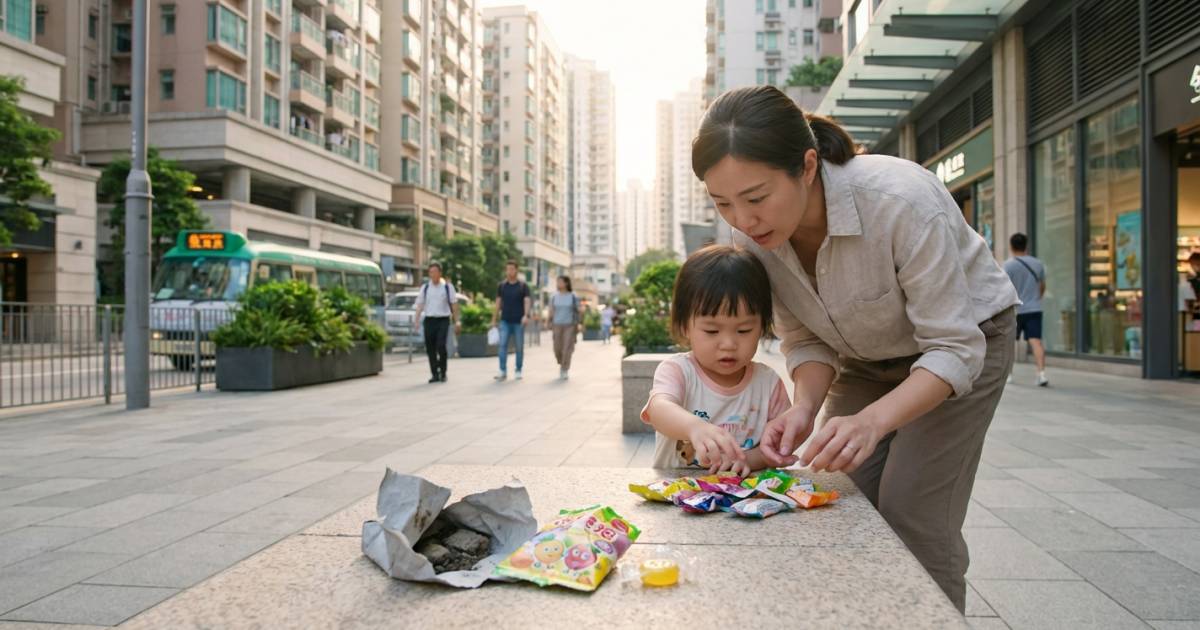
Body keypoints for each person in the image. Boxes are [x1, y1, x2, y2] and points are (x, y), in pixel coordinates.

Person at [692, 86, 1019, 612]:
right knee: (837, 498)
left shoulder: (901, 201)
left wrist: (871, 422)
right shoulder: (755, 239)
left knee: (914, 513)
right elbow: (806, 338)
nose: (743, 221)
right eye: (722, 202)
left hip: (961, 347)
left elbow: (953, 348)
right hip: (865, 358)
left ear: (806, 165)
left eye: (755, 198)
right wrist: (804, 408)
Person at [641, 246, 791, 477]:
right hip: (675, 498)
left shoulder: (768, 384)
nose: (728, 343)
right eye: (712, 331)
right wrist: (694, 428)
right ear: (684, 326)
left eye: (743, 330)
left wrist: (750, 459)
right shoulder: (678, 371)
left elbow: (780, 442)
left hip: (743, 502)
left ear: (762, 326)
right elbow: (659, 409)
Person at [1002, 233, 1049, 386]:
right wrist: (1035, 299)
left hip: (1014, 310)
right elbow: (1042, 286)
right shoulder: (1038, 264)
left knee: (1010, 343)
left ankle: (1008, 375)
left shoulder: (1008, 265)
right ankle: (1041, 374)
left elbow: (1004, 288)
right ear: (1026, 246)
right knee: (1036, 342)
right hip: (1034, 308)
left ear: (1011, 246)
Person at [413, 262, 459, 383]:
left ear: (440, 273)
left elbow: (454, 305)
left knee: (441, 346)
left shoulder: (447, 287)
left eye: (434, 272)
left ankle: (443, 372)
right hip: (429, 320)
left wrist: (457, 321)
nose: (432, 274)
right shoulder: (425, 288)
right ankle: (435, 374)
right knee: (430, 348)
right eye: (430, 272)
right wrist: (416, 320)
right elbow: (420, 305)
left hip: (443, 320)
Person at [492, 260, 530, 381]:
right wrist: (494, 319)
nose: (509, 271)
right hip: (505, 321)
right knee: (502, 345)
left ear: (516, 270)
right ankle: (502, 370)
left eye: (512, 269)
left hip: (519, 321)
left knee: (519, 347)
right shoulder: (502, 286)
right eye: (507, 269)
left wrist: (526, 315)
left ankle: (518, 370)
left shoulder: (523, 286)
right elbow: (498, 303)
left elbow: (527, 301)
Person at [548, 275, 581, 380]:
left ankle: (564, 368)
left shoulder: (573, 296)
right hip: (557, 325)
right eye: (557, 282)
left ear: (566, 283)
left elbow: (578, 310)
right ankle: (561, 362)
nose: (558, 284)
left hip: (569, 325)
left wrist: (580, 323)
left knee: (567, 347)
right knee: (557, 348)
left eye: (560, 282)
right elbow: (551, 310)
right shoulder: (554, 296)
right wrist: (548, 321)